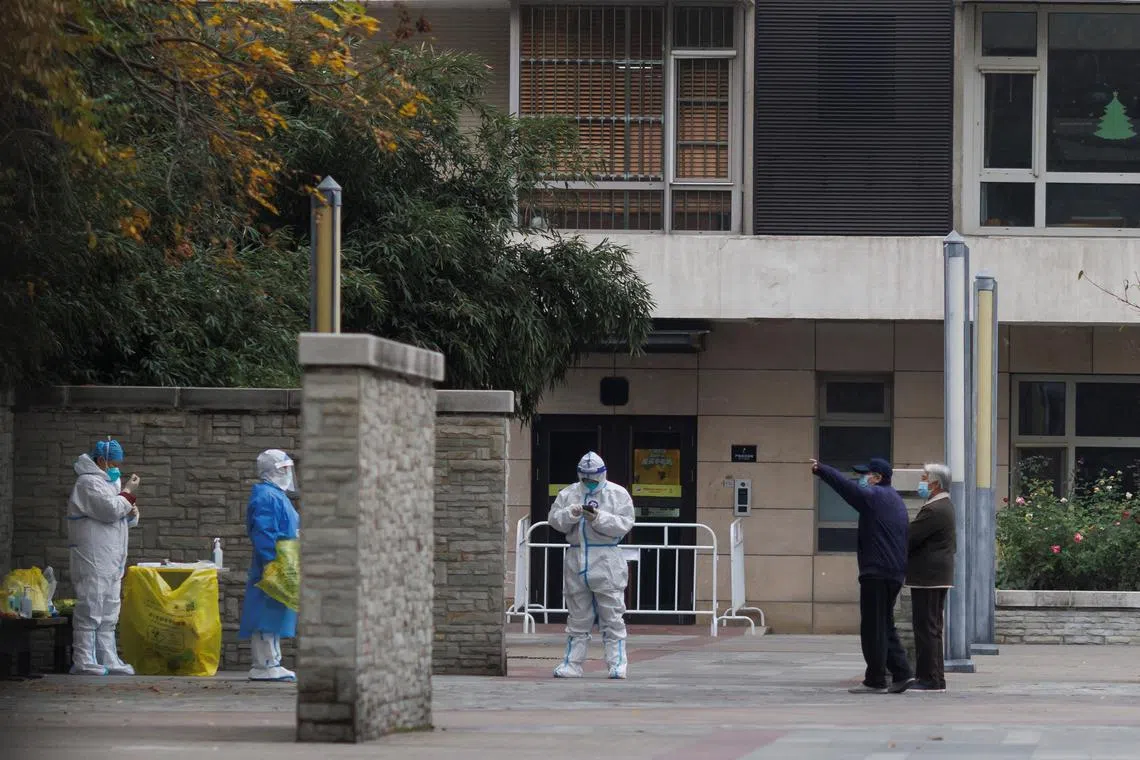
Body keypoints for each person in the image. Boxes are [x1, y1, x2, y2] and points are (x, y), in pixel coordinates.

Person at [811, 456, 913, 694]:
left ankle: (876, 680)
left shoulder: (875, 497)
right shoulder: (895, 500)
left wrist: (821, 469)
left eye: (865, 475)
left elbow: (846, 489)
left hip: (876, 572)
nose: (861, 479)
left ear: (877, 478)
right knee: (885, 624)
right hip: (894, 573)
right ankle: (902, 672)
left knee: (872, 628)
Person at [548, 451, 635, 679]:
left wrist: (598, 518)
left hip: (606, 560)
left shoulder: (618, 494)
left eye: (593, 478)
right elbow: (555, 520)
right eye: (584, 478)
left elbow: (624, 524)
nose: (589, 483)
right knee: (578, 617)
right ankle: (572, 664)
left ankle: (617, 664)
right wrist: (571, 514)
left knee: (612, 615)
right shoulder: (568, 493)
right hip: (577, 559)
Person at [67, 438, 141, 676]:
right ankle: (84, 659)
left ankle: (108, 657)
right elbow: (109, 511)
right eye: (113, 462)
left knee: (110, 607)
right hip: (93, 555)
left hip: (112, 555)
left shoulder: (109, 481)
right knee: (91, 603)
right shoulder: (87, 483)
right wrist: (128, 494)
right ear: (101, 460)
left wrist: (131, 513)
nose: (116, 467)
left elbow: (119, 515)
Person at [239, 449, 300, 682]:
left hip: (282, 560)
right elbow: (264, 532)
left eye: (288, 468)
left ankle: (271, 661)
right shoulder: (267, 496)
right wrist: (272, 564)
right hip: (274, 562)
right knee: (266, 614)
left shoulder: (274, 495)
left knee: (274, 614)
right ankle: (265, 664)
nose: (287, 473)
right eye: (282, 469)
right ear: (271, 470)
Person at [906, 463, 956, 693]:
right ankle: (933, 678)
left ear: (935, 484)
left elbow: (910, 537)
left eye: (925, 478)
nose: (922, 482)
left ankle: (929, 678)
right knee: (931, 627)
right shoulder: (942, 506)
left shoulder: (934, 510)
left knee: (926, 628)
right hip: (934, 576)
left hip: (929, 577)